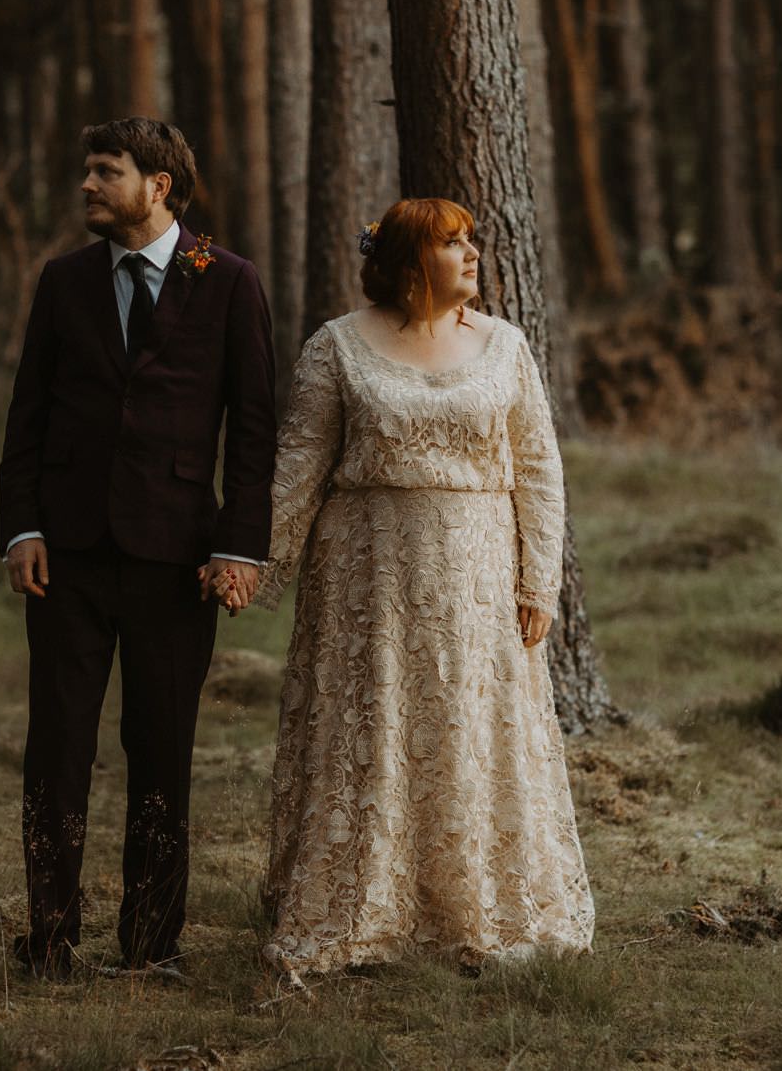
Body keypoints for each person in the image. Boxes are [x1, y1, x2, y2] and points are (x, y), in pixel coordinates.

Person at [223, 197, 594, 982]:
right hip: (368, 580)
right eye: (452, 243)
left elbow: (539, 468)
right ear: (409, 262)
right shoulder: (337, 346)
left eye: (470, 240)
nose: (472, 254)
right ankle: (368, 903)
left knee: (469, 732)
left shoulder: (506, 346)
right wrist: (246, 560)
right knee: (375, 730)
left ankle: (473, 907)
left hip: (478, 583)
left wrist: (539, 580)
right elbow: (299, 465)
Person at [0, 117, 276, 980]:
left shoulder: (229, 281)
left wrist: (241, 547)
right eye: (88, 169)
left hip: (177, 558)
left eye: (105, 171)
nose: (87, 184)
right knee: (57, 751)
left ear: (158, 185)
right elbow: (27, 417)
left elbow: (254, 432)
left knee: (161, 752)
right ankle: (49, 940)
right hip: (68, 559)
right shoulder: (64, 281)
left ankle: (153, 945)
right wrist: (22, 527)